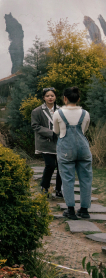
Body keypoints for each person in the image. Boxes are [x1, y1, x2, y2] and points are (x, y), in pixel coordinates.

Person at [53, 87, 92, 220]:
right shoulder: (85, 113)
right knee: (86, 179)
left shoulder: (58, 113)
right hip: (83, 149)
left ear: (65, 98)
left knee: (67, 179)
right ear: (78, 99)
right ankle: (85, 210)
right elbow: (84, 130)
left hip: (66, 150)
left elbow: (57, 131)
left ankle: (70, 210)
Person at [31, 87, 62, 198]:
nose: (50, 97)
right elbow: (35, 126)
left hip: (59, 142)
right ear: (43, 97)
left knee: (61, 166)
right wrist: (51, 133)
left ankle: (59, 189)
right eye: (47, 96)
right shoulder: (37, 111)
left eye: (52, 95)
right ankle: (44, 187)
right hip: (45, 142)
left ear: (55, 97)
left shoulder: (61, 110)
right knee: (50, 165)